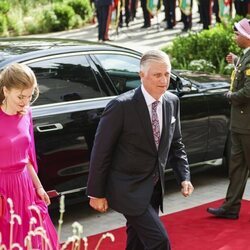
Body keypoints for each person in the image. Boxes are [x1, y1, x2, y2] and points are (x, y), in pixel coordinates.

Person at [87, 50, 194, 249]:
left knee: (136, 241)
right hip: (127, 188)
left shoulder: (172, 101)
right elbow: (101, 152)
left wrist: (184, 176)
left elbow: (176, 143)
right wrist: (96, 192)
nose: (164, 80)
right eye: (157, 75)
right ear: (141, 75)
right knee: (159, 240)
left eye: (167, 74)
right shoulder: (121, 106)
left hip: (153, 187)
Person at [0, 63, 58, 249]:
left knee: (38, 240)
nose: (25, 101)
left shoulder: (26, 114)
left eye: (29, 96)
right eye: (20, 96)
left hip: (25, 188)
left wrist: (39, 188)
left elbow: (27, 159)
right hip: (3, 191)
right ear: (5, 90)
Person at [207, 18, 250, 219]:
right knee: (237, 167)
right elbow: (242, 73)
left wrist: (229, 96)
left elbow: (248, 90)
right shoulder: (245, 56)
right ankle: (231, 207)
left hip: (247, 123)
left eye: (238, 33)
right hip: (240, 123)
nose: (235, 37)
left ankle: (231, 206)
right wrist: (235, 60)